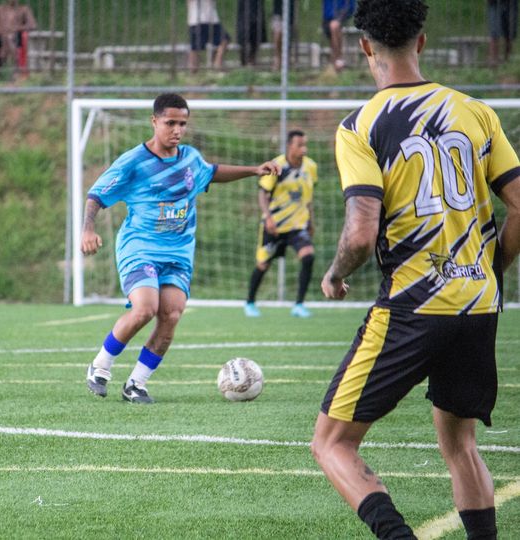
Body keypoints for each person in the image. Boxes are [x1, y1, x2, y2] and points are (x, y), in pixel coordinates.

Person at [311, 1, 520, 538]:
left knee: (331, 442)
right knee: (459, 444)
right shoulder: (475, 111)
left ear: (364, 46)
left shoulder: (361, 126)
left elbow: (360, 232)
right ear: (422, 41)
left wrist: (334, 274)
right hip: (478, 302)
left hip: (414, 305)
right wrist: (493, 265)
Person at [82, 93, 280, 404]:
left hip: (178, 253)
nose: (177, 129)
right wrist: (88, 229)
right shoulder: (134, 162)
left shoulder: (190, 158)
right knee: (145, 308)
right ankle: (100, 365)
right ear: (154, 122)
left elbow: (213, 172)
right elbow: (96, 195)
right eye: (170, 122)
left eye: (182, 124)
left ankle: (136, 383)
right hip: (140, 247)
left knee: (171, 314)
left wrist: (255, 170)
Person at [244, 129, 316, 318]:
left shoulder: (311, 167)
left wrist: (311, 221)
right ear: (289, 146)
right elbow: (262, 194)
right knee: (262, 265)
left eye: (305, 144)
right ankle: (250, 302)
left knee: (308, 257)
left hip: (297, 226)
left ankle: (299, 305)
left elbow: (309, 198)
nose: (304, 149)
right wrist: (267, 217)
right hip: (274, 226)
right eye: (299, 145)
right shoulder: (277, 166)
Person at [0, 0, 37, 80]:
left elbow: (32, 25)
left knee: (9, 37)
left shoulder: (24, 9)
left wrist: (16, 28)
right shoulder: (0, 10)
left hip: (16, 37)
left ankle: (14, 72)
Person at [187, 0, 230, 73]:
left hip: (212, 19)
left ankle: (217, 63)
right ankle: (193, 71)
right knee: (195, 48)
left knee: (225, 39)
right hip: (196, 20)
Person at [323, 0, 355, 72]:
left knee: (334, 26)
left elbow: (350, 7)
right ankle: (334, 63)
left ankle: (338, 59)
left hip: (342, 15)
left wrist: (340, 18)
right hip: (327, 17)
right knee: (331, 31)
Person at [235, 0, 265, 67]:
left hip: (256, 9)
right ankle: (244, 62)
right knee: (243, 37)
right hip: (244, 10)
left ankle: (252, 60)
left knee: (256, 36)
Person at [487, 0, 518, 65]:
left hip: (511, 4)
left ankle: (507, 61)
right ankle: (493, 61)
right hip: (494, 4)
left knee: (509, 34)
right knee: (494, 33)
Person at [272, 0, 297, 71]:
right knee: (277, 34)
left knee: (287, 36)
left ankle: (285, 60)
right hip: (278, 13)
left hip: (290, 14)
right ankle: (277, 58)